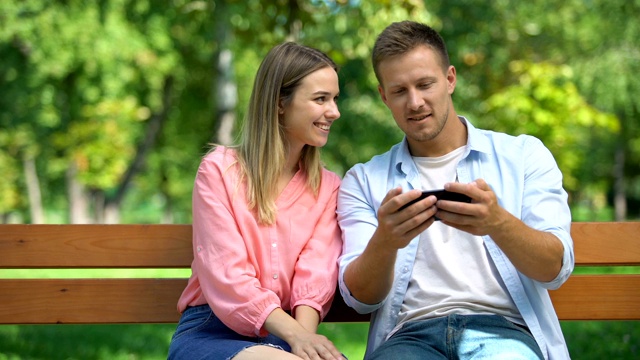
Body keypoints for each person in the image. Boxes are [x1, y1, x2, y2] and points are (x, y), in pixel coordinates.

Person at [336, 21, 574, 360]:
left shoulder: (523, 156)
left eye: (424, 84)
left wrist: (498, 223)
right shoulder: (363, 180)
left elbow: (555, 269)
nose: (415, 102)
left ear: (450, 79)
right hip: (409, 337)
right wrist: (386, 240)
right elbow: (361, 298)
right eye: (400, 91)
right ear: (383, 96)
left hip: (503, 333)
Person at [168, 42, 345, 360]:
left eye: (334, 99)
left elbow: (314, 277)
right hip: (211, 330)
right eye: (321, 99)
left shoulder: (329, 187)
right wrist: (296, 338)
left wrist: (301, 341)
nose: (334, 111)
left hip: (288, 335)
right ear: (280, 102)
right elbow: (227, 275)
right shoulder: (220, 170)